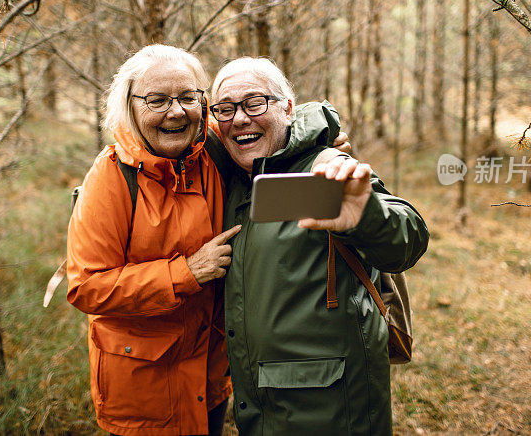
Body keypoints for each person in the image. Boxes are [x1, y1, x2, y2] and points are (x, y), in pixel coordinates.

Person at [210, 57, 430, 435]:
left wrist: (367, 217)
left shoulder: (324, 167)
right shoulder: (230, 179)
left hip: (333, 407)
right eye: (226, 109)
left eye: (255, 103)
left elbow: (407, 240)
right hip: (258, 406)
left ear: (287, 108)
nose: (240, 118)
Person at [66, 44, 239, 436]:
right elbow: (86, 286)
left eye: (187, 97)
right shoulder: (111, 177)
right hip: (142, 388)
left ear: (203, 102)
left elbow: (275, 123)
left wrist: (329, 146)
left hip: (208, 377)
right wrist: (186, 273)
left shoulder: (214, 152)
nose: (176, 111)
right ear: (130, 106)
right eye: (157, 100)